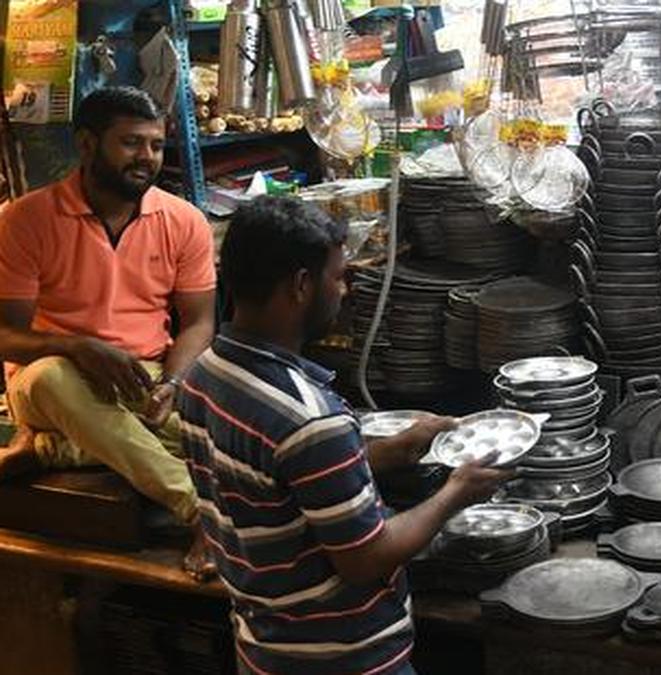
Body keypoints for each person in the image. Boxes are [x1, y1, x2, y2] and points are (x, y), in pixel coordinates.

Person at [178, 195, 512, 675]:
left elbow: (274, 482)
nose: (345, 290)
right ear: (299, 286)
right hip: (345, 659)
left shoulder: (204, 374)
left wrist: (387, 453)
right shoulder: (310, 418)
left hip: (264, 650)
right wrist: (456, 493)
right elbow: (365, 558)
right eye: (338, 276)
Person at [0, 86, 216, 578]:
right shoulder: (25, 219)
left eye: (156, 145)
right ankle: (198, 510)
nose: (147, 158)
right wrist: (76, 346)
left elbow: (200, 321)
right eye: (131, 143)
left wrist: (172, 383)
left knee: (219, 433)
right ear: (86, 145)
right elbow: (5, 335)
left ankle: (56, 448)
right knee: (55, 377)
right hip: (50, 382)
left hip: (145, 377)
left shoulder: (184, 221)